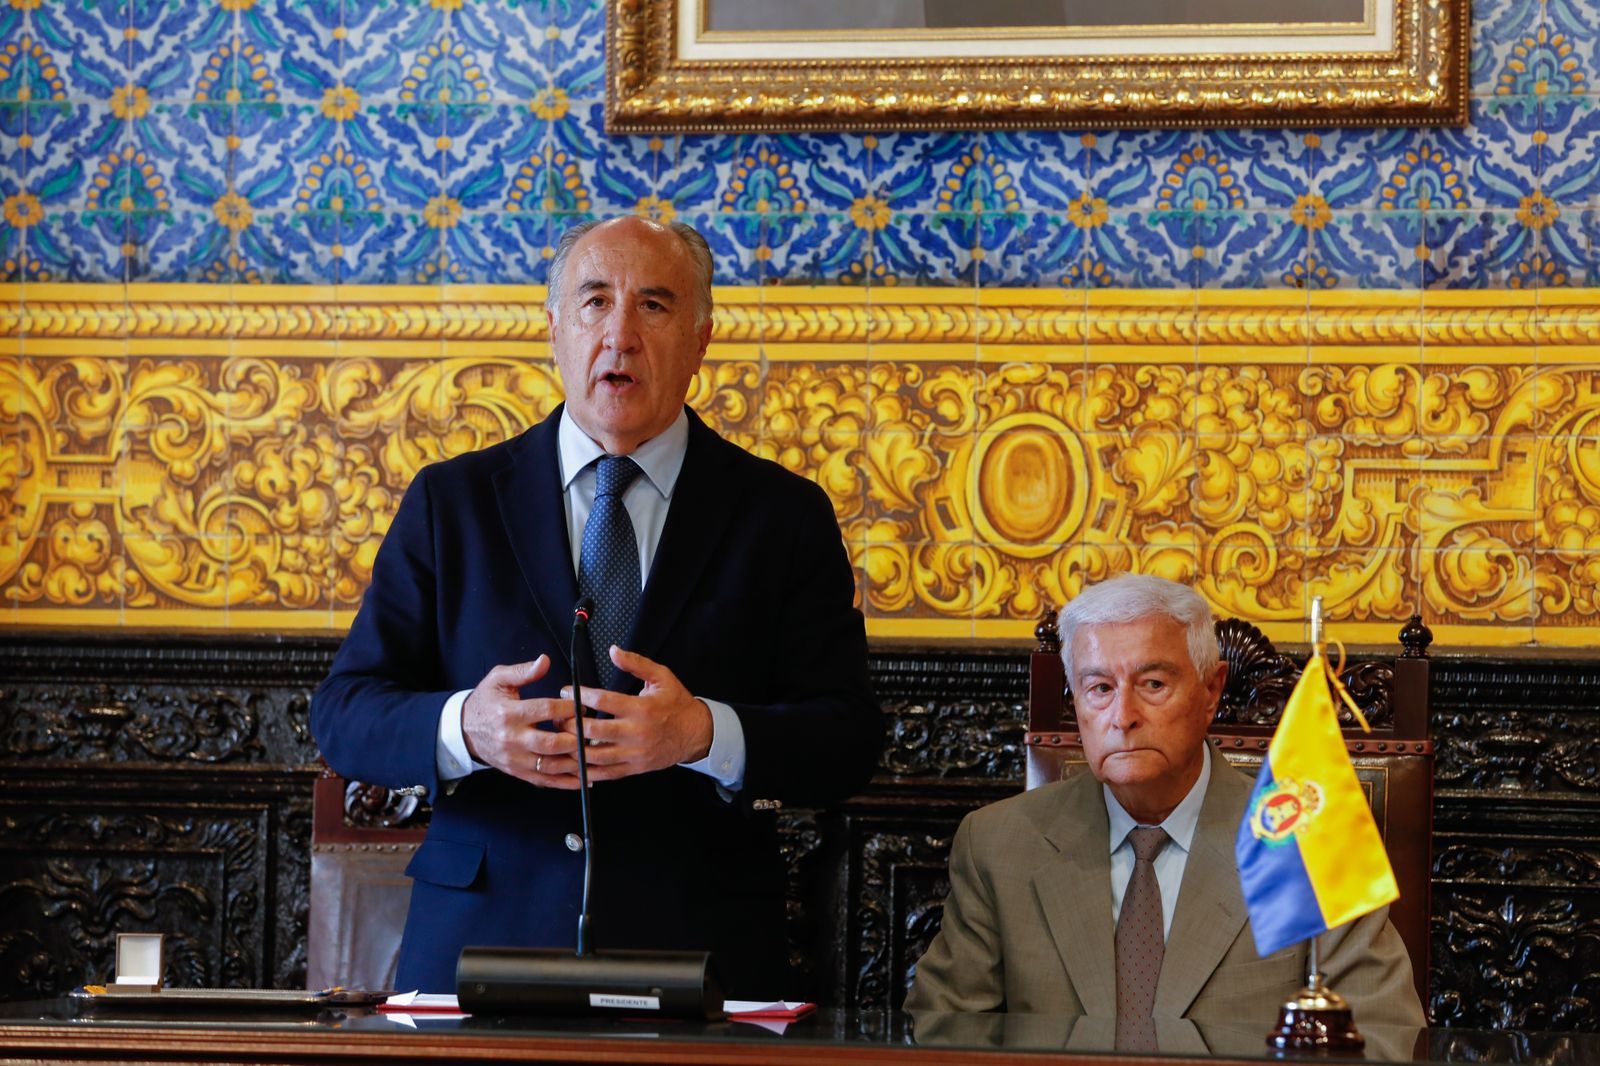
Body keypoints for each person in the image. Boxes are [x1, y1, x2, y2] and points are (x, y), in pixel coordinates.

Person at [311, 216, 883, 996]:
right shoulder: (453, 503)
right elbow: (344, 713)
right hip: (481, 946)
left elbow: (848, 738)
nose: (621, 335)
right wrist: (467, 729)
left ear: (701, 339)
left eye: (654, 305)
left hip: (702, 953)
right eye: (595, 302)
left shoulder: (782, 516)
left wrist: (702, 733)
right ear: (554, 330)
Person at [904, 574, 1423, 1040]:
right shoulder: (998, 847)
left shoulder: (1310, 842)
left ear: (1211, 690)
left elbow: (1385, 1039)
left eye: (1153, 684)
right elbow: (944, 1036)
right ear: (1075, 702)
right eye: (1099, 688)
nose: (1123, 715)